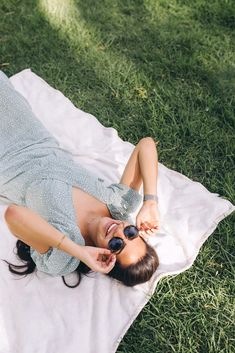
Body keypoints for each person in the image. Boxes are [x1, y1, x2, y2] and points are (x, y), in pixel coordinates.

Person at [0, 70, 160, 288]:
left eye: (116, 245)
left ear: (106, 259)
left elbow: (13, 215)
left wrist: (79, 251)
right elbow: (146, 145)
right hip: (26, 127)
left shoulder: (64, 257)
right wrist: (150, 201)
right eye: (131, 233)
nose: (119, 231)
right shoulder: (118, 203)